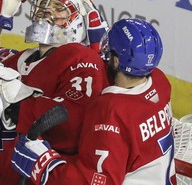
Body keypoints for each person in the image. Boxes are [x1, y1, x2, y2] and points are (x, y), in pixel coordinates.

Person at [0, 0, 110, 184]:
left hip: (35, 176)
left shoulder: (82, 59)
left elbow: (75, 121)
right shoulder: (19, 58)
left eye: (58, 9)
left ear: (77, 23)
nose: (47, 12)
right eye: (43, 6)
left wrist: (18, 105)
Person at [11, 18, 177, 185]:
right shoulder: (160, 82)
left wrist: (46, 166)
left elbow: (97, 182)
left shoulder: (110, 110)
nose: (106, 50)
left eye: (110, 49)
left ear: (117, 61)